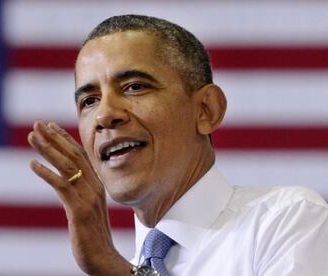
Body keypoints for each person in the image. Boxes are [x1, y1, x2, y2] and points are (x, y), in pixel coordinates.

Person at [28, 15, 328, 276]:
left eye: (135, 86)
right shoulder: (121, 267)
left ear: (206, 110)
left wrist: (114, 269)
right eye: (89, 101)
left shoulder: (288, 221)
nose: (105, 115)